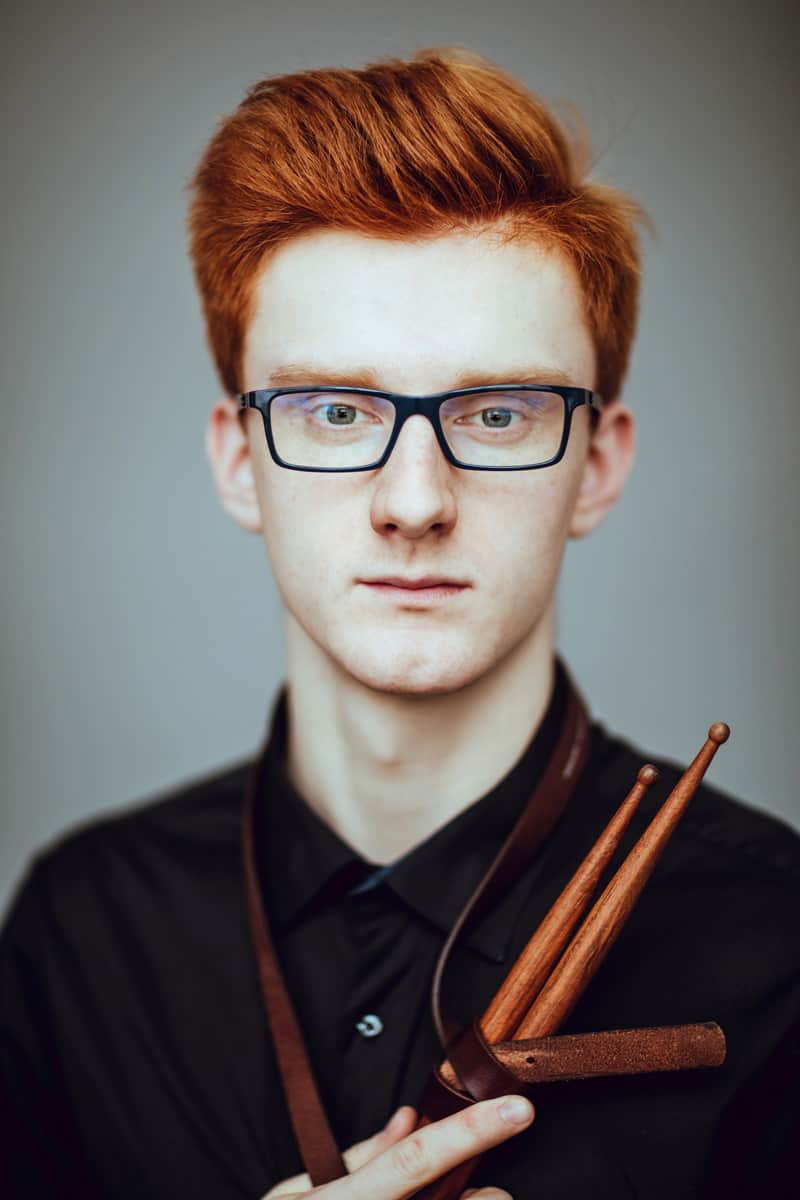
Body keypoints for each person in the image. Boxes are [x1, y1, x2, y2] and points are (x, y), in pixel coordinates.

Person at [2, 47, 798, 1200]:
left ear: (596, 466)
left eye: (498, 413)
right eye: (333, 412)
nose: (413, 502)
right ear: (238, 462)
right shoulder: (82, 932)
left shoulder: (775, 939)